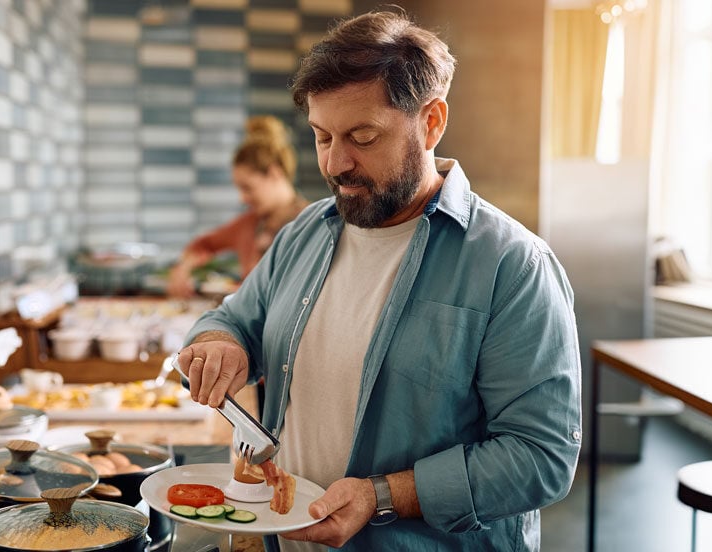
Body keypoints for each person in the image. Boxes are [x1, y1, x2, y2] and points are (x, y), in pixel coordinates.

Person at [176, 8, 582, 551]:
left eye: (362, 136)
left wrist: (381, 495)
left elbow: (541, 457)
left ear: (432, 121)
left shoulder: (513, 266)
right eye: (322, 137)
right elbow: (231, 318)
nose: (336, 163)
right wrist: (217, 342)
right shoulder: (304, 232)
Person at [166, 115, 308, 298]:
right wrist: (182, 268)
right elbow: (203, 244)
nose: (242, 198)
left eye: (247, 188)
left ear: (274, 173)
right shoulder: (248, 224)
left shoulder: (312, 222)